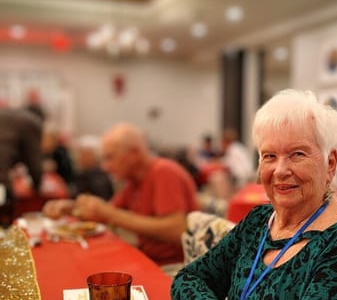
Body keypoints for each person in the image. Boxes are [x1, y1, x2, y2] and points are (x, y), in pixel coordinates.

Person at [102, 89, 337, 300]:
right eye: (269, 155)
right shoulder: (260, 221)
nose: (280, 170)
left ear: (330, 163)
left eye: (297, 154)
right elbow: (190, 277)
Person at [42, 122, 199, 268]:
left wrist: (110, 214)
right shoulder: (134, 181)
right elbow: (104, 213)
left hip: (176, 268)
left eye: (110, 157)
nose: (105, 166)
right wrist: (69, 208)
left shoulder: (163, 172)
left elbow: (177, 231)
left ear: (134, 153)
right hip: (148, 258)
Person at [0, 106, 43, 225]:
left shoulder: (10, 116)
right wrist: (37, 186)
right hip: (1, 183)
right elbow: (34, 161)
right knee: (5, 228)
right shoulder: (32, 122)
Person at [70, 135, 114, 200]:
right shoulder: (83, 174)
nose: (80, 158)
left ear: (95, 156)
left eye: (84, 155)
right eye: (80, 154)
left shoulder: (100, 178)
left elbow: (101, 202)